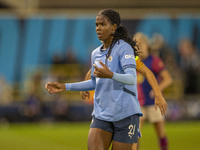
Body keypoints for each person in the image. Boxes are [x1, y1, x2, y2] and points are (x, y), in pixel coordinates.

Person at [45, 9, 167, 150]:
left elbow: (137, 76)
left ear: (114, 27)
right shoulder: (96, 54)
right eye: (96, 24)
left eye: (102, 24)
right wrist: (65, 86)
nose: (98, 28)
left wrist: (158, 93)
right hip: (102, 115)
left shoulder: (126, 50)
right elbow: (95, 80)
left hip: (126, 114)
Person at [133, 33, 172, 150]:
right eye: (136, 44)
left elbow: (168, 79)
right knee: (135, 134)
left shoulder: (154, 60)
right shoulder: (133, 60)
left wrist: (157, 91)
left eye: (141, 43)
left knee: (160, 133)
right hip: (137, 103)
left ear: (147, 45)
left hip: (153, 102)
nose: (138, 46)